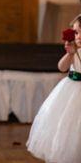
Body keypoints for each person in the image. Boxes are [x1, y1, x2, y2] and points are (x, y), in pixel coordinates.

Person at [27, 14, 81, 163]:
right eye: (76, 32)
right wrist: (69, 54)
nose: (79, 36)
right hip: (72, 91)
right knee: (69, 128)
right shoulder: (73, 51)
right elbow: (62, 67)